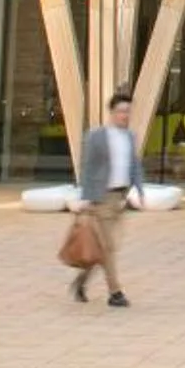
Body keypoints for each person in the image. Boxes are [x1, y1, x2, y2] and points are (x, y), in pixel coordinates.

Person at [72, 88, 144, 307]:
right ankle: (115, 293)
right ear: (112, 112)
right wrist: (85, 198)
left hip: (120, 199)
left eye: (128, 111)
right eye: (121, 111)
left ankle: (81, 280)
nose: (125, 115)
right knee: (108, 247)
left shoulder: (130, 137)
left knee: (106, 247)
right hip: (101, 198)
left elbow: (134, 165)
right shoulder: (97, 136)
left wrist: (139, 190)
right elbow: (88, 168)